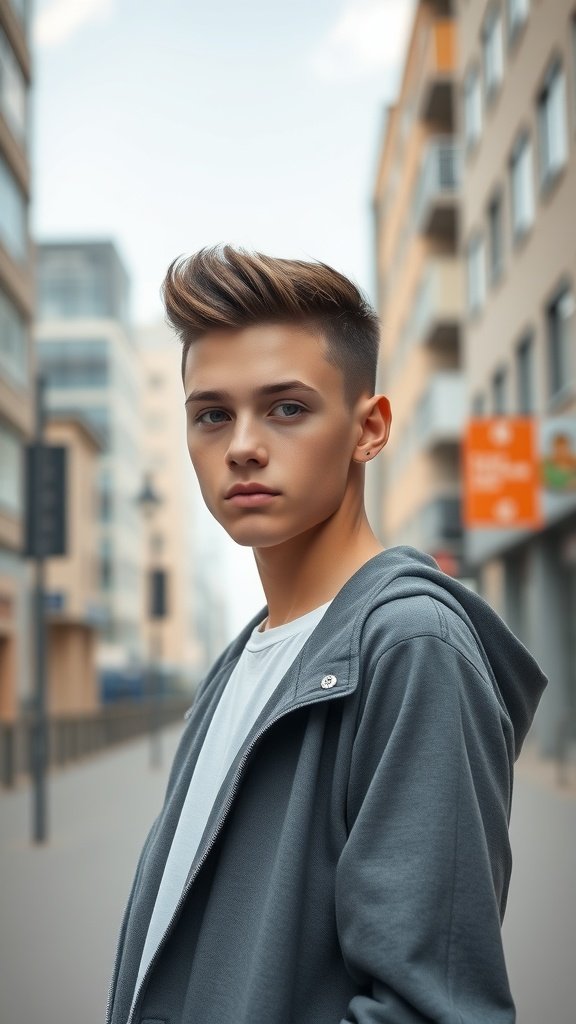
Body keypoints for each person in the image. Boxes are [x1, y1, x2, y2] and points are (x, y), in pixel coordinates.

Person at [106, 246, 547, 1024]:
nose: (241, 443)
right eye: (212, 413)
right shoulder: (242, 661)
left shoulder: (412, 649)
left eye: (286, 407)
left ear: (368, 428)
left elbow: (430, 1008)